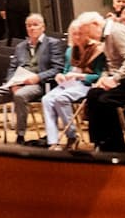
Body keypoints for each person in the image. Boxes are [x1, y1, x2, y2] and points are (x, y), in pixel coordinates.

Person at [0, 14, 62, 144]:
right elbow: (12, 68)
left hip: (38, 84)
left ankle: (20, 135)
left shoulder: (52, 44)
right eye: (29, 25)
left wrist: (37, 77)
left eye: (35, 25)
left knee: (20, 96)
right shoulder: (20, 47)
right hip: (18, 83)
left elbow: (57, 69)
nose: (32, 28)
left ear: (43, 27)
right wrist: (12, 83)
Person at [83, 11, 125, 153]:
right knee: (93, 94)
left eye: (88, 32)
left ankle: (116, 146)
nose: (88, 37)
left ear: (95, 25)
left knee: (105, 100)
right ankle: (100, 142)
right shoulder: (106, 35)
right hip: (124, 77)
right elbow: (110, 64)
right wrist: (104, 78)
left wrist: (114, 79)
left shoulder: (116, 32)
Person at [43, 15, 102, 151]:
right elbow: (65, 71)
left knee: (60, 98)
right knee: (46, 99)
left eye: (80, 34)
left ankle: (71, 135)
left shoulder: (96, 50)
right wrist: (60, 76)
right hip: (69, 84)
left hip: (86, 85)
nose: (77, 37)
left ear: (87, 34)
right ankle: (53, 142)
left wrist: (79, 76)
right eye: (74, 34)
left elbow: (98, 76)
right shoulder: (70, 51)